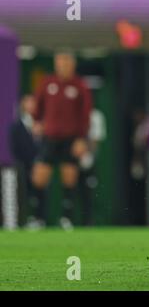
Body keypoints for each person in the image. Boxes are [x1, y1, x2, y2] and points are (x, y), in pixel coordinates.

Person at [31, 51, 92, 230]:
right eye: (60, 61)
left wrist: (81, 139)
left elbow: (85, 114)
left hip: (71, 139)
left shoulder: (80, 85)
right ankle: (37, 218)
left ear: (72, 64)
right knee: (40, 176)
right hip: (49, 138)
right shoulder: (47, 83)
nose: (63, 65)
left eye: (66, 61)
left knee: (69, 177)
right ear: (56, 63)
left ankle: (67, 218)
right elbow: (37, 106)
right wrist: (36, 122)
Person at [8, 95, 45, 228]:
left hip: (40, 165)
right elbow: (15, 147)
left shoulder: (43, 124)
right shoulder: (17, 127)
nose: (31, 105)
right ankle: (26, 219)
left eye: (33, 102)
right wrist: (26, 164)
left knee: (40, 193)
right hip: (24, 166)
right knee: (24, 194)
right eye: (28, 102)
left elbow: (46, 146)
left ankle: (40, 219)